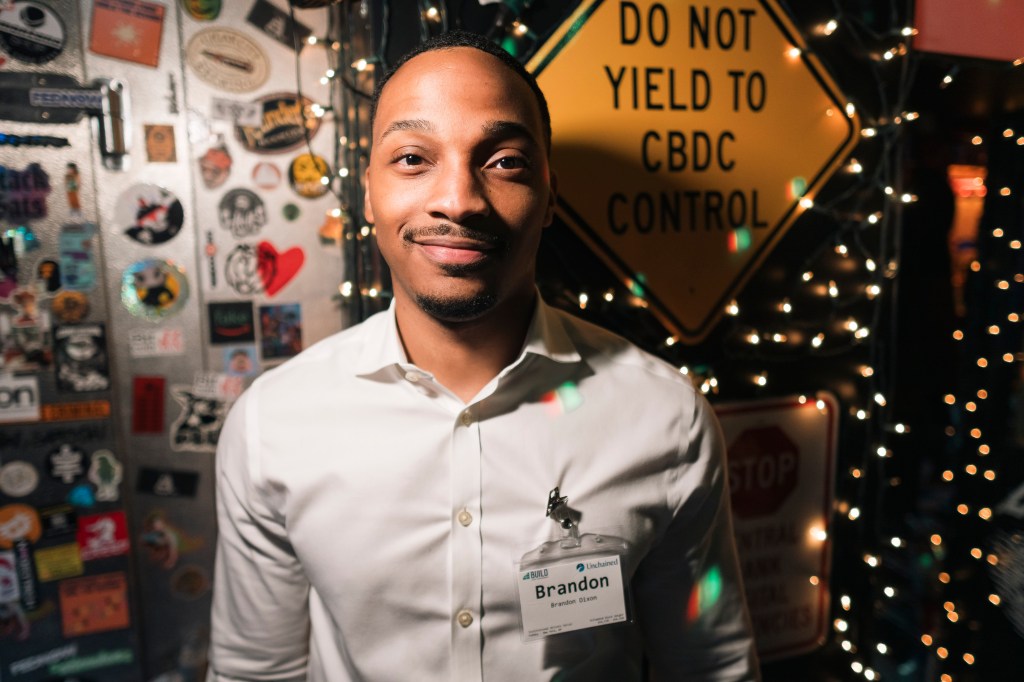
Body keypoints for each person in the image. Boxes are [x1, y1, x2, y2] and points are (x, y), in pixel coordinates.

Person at [207, 30, 759, 682]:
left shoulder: (663, 416)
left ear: (550, 196)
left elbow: (708, 666)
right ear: (367, 194)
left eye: (503, 162)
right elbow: (254, 672)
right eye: (413, 158)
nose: (459, 200)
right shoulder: (275, 424)